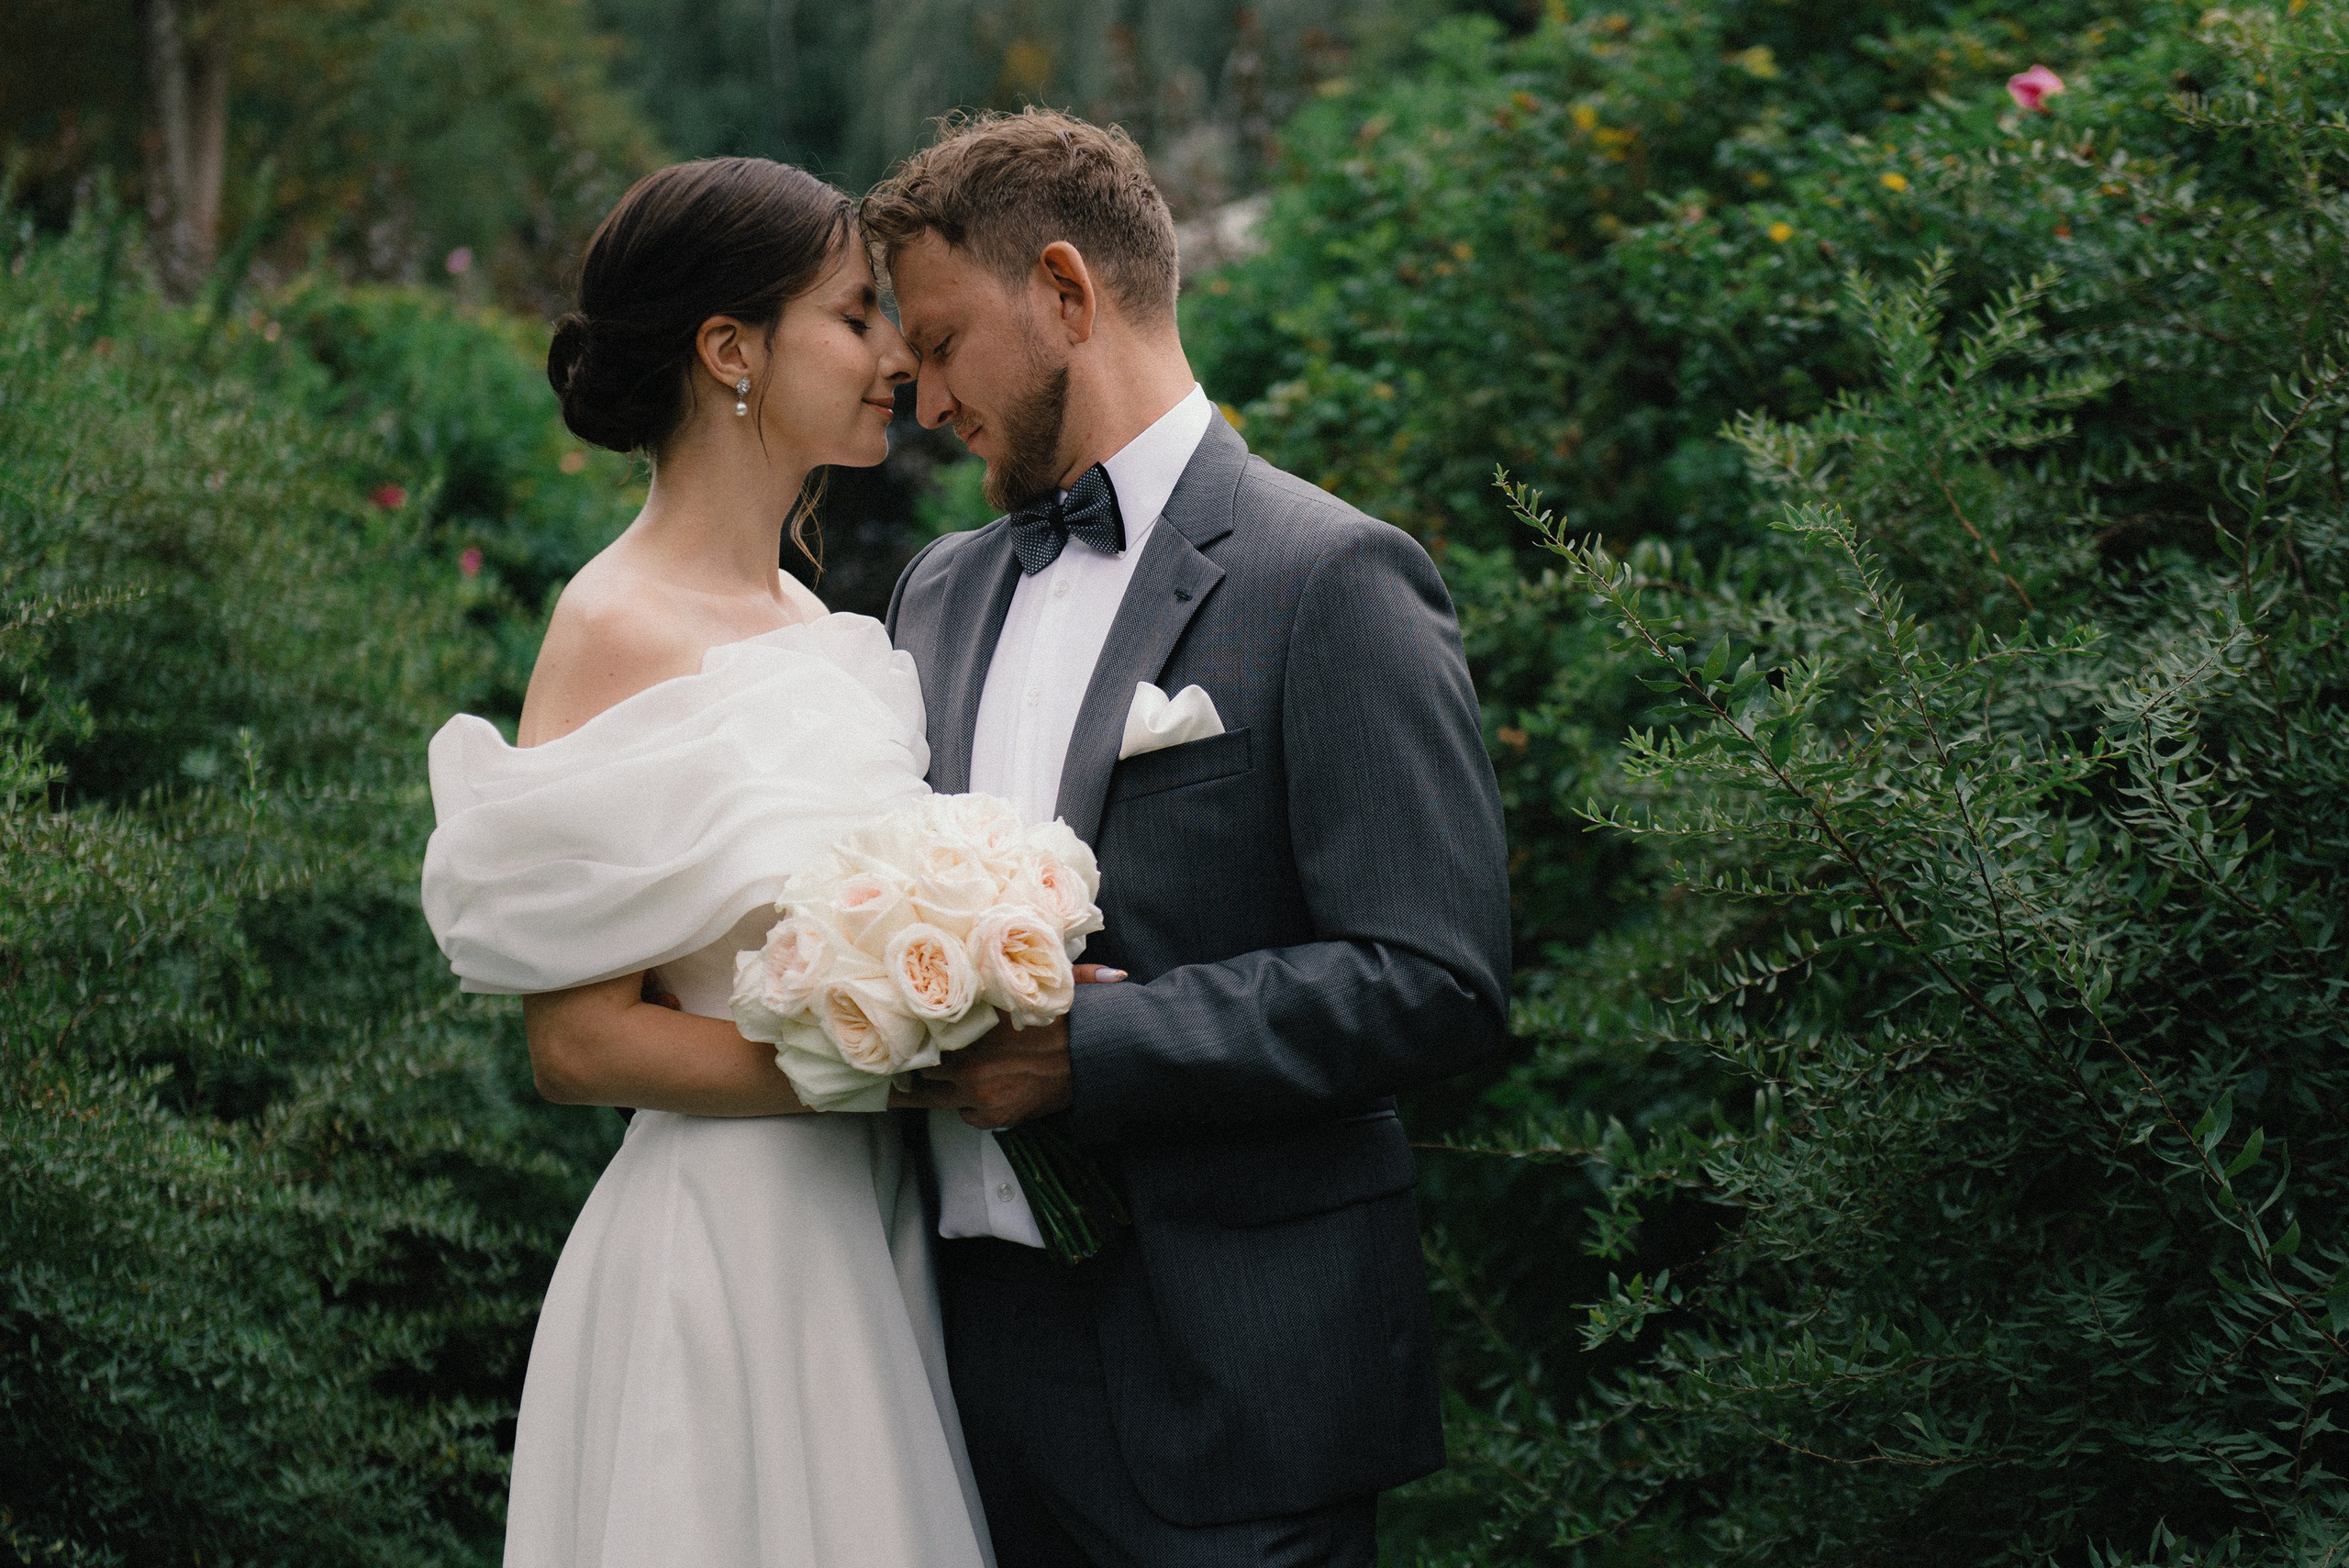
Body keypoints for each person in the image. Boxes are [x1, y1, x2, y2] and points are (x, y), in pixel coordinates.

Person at [870, 109, 1514, 1566]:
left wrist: (1092, 1052)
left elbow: (1437, 975)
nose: (921, 404)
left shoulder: (1330, 576)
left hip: (1235, 1383)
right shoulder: (934, 593)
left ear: (1064, 292)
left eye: (942, 344)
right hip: (960, 1376)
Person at [421, 157, 1035, 1568]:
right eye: (853, 316)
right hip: (726, 1252)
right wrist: (884, 1057)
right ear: (729, 351)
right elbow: (577, 1043)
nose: (896, 356)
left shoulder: (811, 617)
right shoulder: (613, 625)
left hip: (867, 1245)